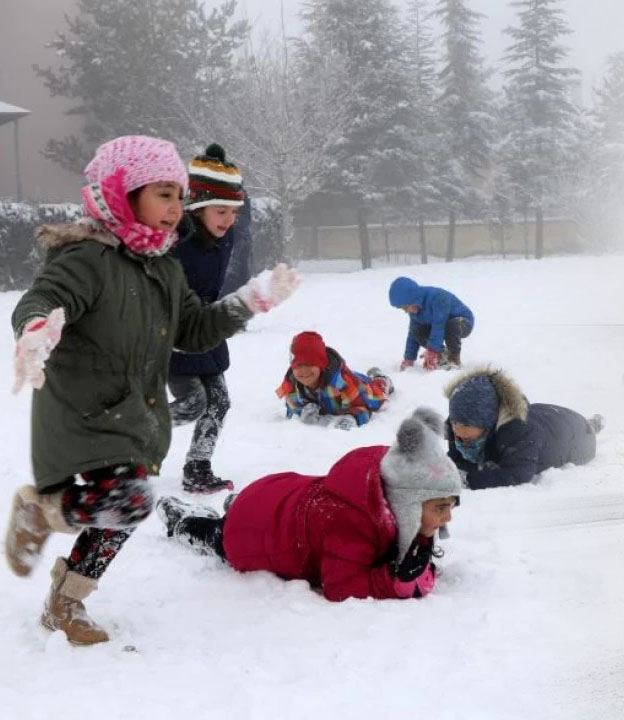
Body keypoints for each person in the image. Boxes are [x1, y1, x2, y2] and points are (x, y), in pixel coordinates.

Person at [3, 135, 299, 645]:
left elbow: (193, 330)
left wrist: (248, 301)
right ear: (122, 192)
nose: (176, 208)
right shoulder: (85, 259)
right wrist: (36, 330)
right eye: (164, 193)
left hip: (134, 415)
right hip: (85, 412)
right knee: (131, 501)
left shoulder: (162, 265)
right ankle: (40, 512)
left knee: (123, 513)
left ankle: (65, 603)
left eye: (180, 196)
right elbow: (44, 298)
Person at [156, 409, 461, 602]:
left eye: (450, 506)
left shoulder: (390, 479)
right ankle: (182, 520)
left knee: (252, 512)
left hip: (277, 495)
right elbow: (340, 586)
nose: (447, 516)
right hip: (252, 535)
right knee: (220, 535)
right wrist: (388, 581)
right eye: (439, 508)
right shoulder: (352, 521)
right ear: (406, 503)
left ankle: (237, 506)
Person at [168, 144, 247, 494]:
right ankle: (133, 436)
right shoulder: (174, 237)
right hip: (173, 333)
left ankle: (197, 466)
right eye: (221, 211)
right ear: (197, 207)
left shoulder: (224, 235)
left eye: (234, 211)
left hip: (208, 327)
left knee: (219, 400)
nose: (228, 219)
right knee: (191, 403)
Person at [444, 366, 604, 489]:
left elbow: (516, 474)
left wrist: (467, 480)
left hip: (574, 435)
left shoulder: (520, 433)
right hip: (542, 415)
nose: (459, 434)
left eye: (467, 434)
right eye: (456, 425)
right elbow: (455, 461)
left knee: (585, 429)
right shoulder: (456, 426)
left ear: (488, 423)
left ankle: (593, 424)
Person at [277, 330, 393, 429]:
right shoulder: (292, 384)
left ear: (321, 364)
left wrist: (351, 418)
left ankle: (380, 378)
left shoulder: (342, 383)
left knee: (376, 393)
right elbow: (291, 408)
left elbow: (362, 407)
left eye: (309, 364)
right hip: (345, 386)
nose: (303, 371)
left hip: (358, 388)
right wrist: (302, 412)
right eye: (298, 366)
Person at [387, 276, 474, 371]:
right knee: (417, 330)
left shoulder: (438, 298)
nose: (406, 311)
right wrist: (409, 358)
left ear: (413, 299)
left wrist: (432, 351)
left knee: (451, 326)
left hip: (462, 322)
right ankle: (441, 354)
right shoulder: (415, 310)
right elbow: (412, 335)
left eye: (405, 307)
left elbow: (439, 326)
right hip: (440, 325)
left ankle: (453, 359)